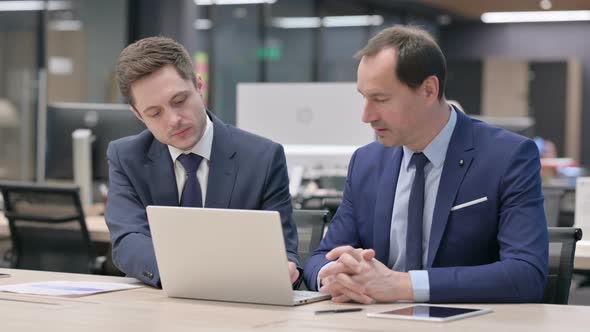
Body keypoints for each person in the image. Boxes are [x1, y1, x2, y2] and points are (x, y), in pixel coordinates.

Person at [303, 25, 548, 304]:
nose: (366, 116)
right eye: (364, 97)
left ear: (429, 90)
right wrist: (332, 275)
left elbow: (526, 275)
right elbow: (320, 258)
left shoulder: (508, 157)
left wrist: (403, 285)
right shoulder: (366, 162)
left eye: (381, 99)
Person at [106, 37, 301, 287]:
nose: (173, 119)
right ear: (138, 115)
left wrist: (285, 268)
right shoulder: (126, 156)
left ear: (199, 86)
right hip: (157, 302)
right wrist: (189, 275)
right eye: (155, 113)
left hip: (239, 304)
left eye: (179, 101)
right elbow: (127, 241)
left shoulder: (263, 158)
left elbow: (284, 253)